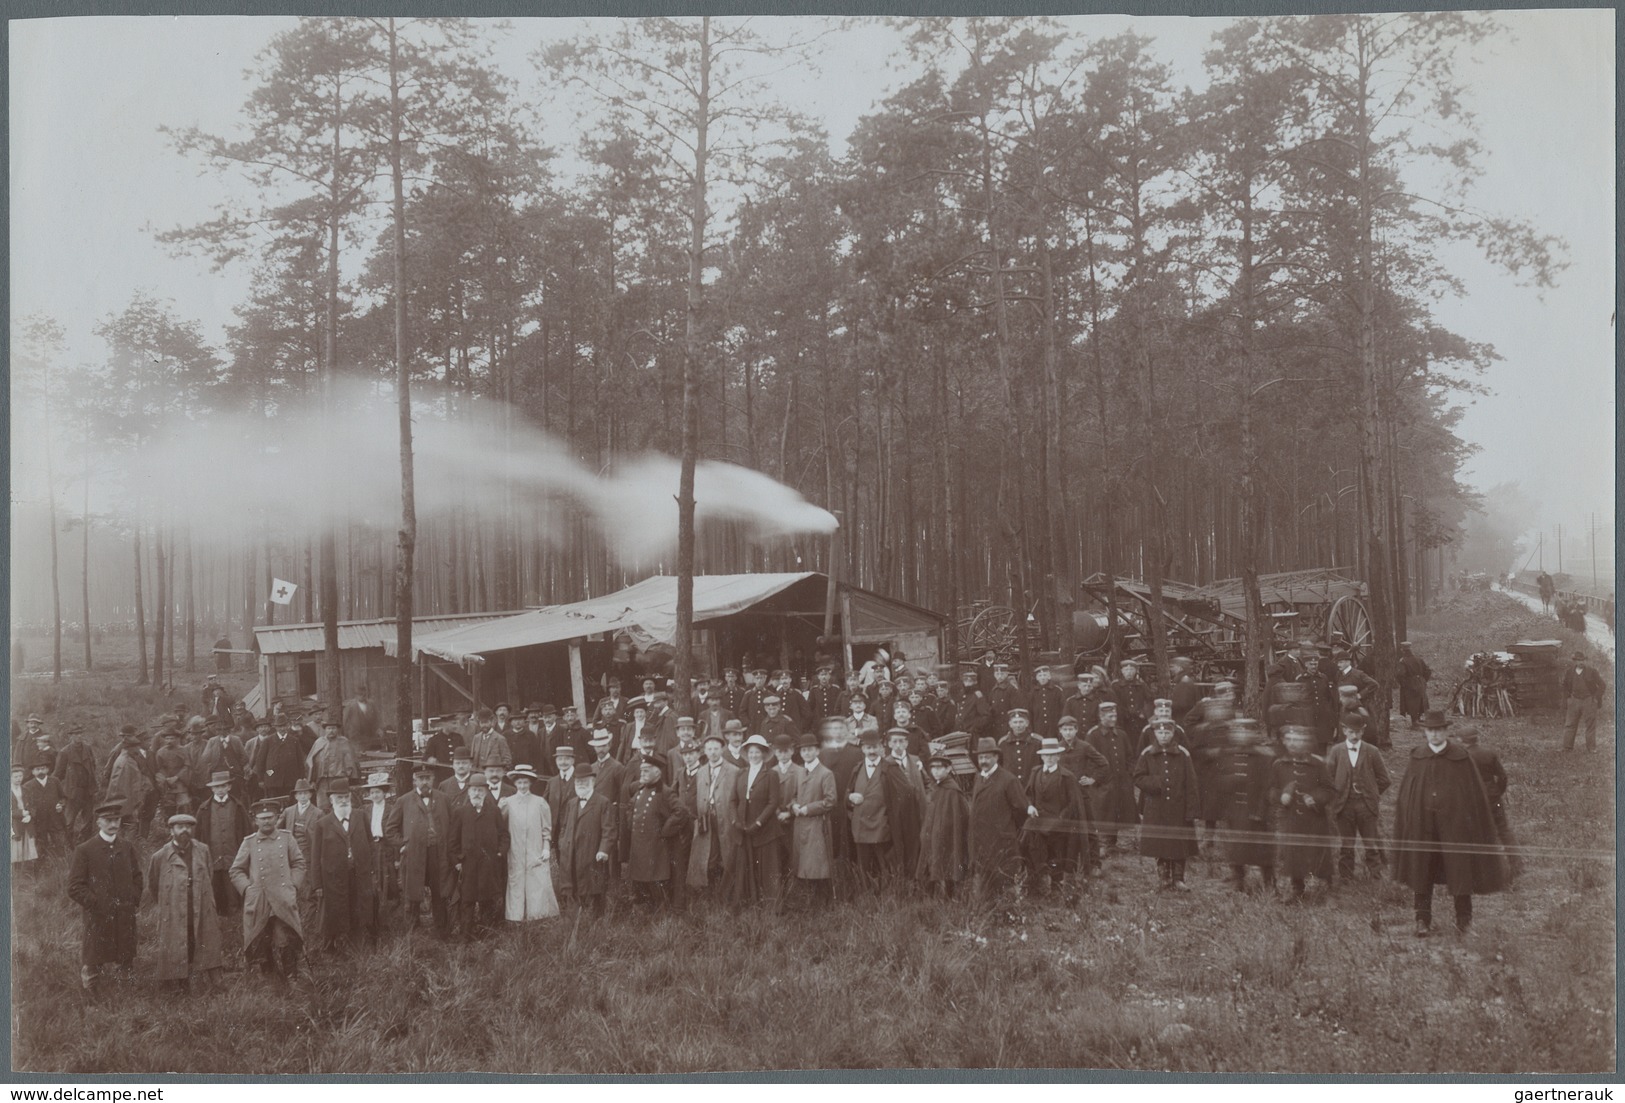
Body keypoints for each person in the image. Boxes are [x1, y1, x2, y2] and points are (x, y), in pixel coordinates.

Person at [1392, 710, 1509, 936]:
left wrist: (1465, 819)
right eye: (1430, 730)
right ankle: (1422, 919)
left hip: (1454, 826)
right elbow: (1409, 792)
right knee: (1422, 869)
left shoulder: (1461, 757)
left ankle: (1463, 920)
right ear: (1425, 732)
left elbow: (1473, 793)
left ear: (1446, 731)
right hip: (1424, 825)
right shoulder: (1418, 756)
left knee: (1460, 869)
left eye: (1439, 730)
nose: (1435, 735)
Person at [67, 800, 143, 994]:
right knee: (94, 956)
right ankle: (92, 995)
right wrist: (95, 903)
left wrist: (132, 899)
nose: (113, 824)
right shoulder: (85, 849)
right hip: (98, 915)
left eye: (116, 819)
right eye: (108, 820)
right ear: (98, 822)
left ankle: (125, 991)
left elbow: (137, 876)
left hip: (124, 913)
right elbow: (74, 886)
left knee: (125, 953)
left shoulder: (126, 847)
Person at [229, 798, 307, 982]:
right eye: (262, 818)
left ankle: (292, 977)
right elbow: (236, 870)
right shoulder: (249, 842)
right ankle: (269, 978)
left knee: (285, 938)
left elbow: (299, 863)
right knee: (260, 939)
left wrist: (293, 885)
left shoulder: (287, 838)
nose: (266, 821)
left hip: (282, 898)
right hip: (259, 900)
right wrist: (247, 888)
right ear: (255, 821)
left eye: (270, 817)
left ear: (277, 818)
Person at [145, 813, 225, 990]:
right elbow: (153, 884)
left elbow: (209, 875)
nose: (184, 831)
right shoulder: (160, 856)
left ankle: (210, 981)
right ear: (171, 830)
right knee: (176, 941)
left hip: (199, 903)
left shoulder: (202, 850)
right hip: (173, 907)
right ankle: (179, 983)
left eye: (188, 827)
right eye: (180, 827)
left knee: (202, 937)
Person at [1268, 726, 1337, 901]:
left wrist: (1316, 798)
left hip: (1314, 818)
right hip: (1291, 818)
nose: (1292, 744)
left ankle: (1327, 887)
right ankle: (1296, 887)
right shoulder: (1279, 764)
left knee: (1318, 853)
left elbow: (1329, 789)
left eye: (1297, 740)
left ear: (1306, 742)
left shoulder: (1317, 764)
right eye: (1289, 740)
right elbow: (1271, 789)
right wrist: (1280, 796)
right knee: (1293, 854)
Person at [1208, 718, 1277, 893]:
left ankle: (1269, 883)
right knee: (1236, 850)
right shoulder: (1226, 754)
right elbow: (1217, 782)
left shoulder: (1264, 756)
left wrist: (1261, 811)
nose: (1241, 735)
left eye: (1246, 731)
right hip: (1234, 811)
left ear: (1254, 734)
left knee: (1263, 851)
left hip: (1256, 812)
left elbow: (1269, 786)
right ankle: (1238, 881)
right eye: (1237, 731)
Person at [307, 781, 376, 953]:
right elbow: (315, 857)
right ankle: (332, 943)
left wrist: (371, 868)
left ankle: (359, 938)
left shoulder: (360, 816)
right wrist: (317, 884)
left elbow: (370, 843)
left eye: (346, 797)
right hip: (333, 877)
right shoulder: (322, 824)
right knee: (335, 908)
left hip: (359, 872)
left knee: (360, 903)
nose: (344, 801)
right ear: (331, 800)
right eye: (339, 798)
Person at [384, 763, 452, 937]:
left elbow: (453, 826)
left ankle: (442, 930)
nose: (424, 782)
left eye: (428, 778)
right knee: (413, 891)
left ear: (433, 779)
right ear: (414, 780)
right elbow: (390, 830)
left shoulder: (444, 798)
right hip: (414, 855)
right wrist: (404, 844)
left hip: (438, 853)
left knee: (440, 892)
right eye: (421, 779)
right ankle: (413, 932)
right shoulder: (403, 801)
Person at [1133, 719, 1200, 891]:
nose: (1164, 736)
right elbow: (1138, 777)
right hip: (1156, 808)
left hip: (1179, 806)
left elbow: (1191, 783)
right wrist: (1156, 783)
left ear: (1173, 733)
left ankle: (1178, 878)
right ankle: (1164, 877)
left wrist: (1192, 809)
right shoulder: (1147, 754)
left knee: (1179, 843)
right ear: (1155, 733)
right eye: (1160, 733)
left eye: (1167, 733)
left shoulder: (1183, 754)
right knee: (1160, 842)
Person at [1324, 713, 1389, 882]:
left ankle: (1376, 876)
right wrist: (1338, 795)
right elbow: (1328, 778)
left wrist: (1371, 793)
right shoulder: (1336, 751)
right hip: (1344, 805)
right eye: (1351, 732)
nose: (1354, 736)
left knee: (1371, 843)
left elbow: (1384, 779)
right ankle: (1346, 877)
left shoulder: (1372, 751)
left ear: (1363, 732)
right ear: (1344, 730)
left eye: (1358, 732)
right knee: (1346, 844)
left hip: (1366, 805)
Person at [1023, 737, 1088, 899]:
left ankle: (1056, 887)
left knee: (1057, 855)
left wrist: (1060, 820)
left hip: (1058, 825)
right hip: (1038, 822)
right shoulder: (1035, 772)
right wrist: (1030, 805)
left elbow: (1073, 804)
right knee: (1032, 849)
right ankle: (1034, 885)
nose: (1050, 758)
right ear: (1042, 757)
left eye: (1053, 755)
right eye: (1046, 755)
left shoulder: (1067, 777)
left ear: (1058, 757)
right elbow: (1028, 794)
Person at [1458, 725, 1521, 882]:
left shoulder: (1462, 757)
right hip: (1494, 800)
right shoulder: (1489, 754)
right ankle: (1516, 864)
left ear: (1462, 740)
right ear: (1476, 738)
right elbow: (1503, 777)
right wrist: (1497, 792)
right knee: (1503, 830)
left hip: (1473, 802)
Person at [622, 753, 684, 909]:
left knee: (656, 881)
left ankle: (661, 913)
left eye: (646, 771)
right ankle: (644, 909)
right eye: (641, 770)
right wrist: (631, 822)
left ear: (657, 773)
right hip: (639, 844)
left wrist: (665, 830)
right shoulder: (640, 789)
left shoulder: (665, 791)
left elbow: (681, 813)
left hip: (656, 847)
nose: (642, 774)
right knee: (639, 880)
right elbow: (630, 806)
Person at [730, 734, 785, 909]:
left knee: (768, 866)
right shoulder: (741, 773)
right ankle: (747, 901)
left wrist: (759, 823)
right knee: (745, 865)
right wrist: (735, 821)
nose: (754, 755)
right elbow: (732, 800)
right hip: (743, 828)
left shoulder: (771, 774)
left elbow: (773, 802)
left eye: (757, 752)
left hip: (765, 829)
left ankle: (770, 905)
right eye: (751, 752)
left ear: (763, 754)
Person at [499, 765, 559, 924]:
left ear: (530, 783)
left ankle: (538, 917)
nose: (523, 786)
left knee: (537, 881)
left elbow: (547, 828)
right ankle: (515, 918)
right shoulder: (508, 803)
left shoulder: (540, 803)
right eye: (519, 782)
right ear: (515, 784)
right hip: (516, 850)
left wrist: (546, 847)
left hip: (535, 848)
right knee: (516, 880)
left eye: (525, 782)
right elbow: (499, 825)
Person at [968, 737, 1029, 891]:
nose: (983, 761)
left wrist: (1006, 828)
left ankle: (1007, 913)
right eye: (981, 757)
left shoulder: (1008, 780)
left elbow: (1021, 809)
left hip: (1001, 840)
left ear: (996, 757)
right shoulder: (978, 777)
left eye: (987, 757)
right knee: (985, 883)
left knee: (1004, 881)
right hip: (981, 840)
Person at [448, 780, 507, 940]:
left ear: (486, 792)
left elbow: (504, 835)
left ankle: (486, 935)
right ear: (468, 792)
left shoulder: (494, 811)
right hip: (468, 865)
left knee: (486, 899)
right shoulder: (461, 812)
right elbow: (452, 841)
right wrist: (457, 862)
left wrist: (500, 853)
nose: (476, 794)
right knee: (467, 900)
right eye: (473, 790)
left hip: (488, 865)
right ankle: (465, 936)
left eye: (480, 790)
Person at [555, 762, 616, 915]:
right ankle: (574, 923)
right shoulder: (571, 803)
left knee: (593, 891)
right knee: (572, 890)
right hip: (571, 857)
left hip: (592, 855)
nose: (581, 784)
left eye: (584, 781)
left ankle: (595, 927)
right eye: (578, 781)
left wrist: (603, 850)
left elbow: (609, 831)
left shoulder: (603, 802)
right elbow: (563, 827)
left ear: (592, 782)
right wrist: (563, 844)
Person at [688, 732, 740, 899]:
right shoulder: (701, 772)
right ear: (704, 750)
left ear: (722, 749)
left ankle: (729, 894)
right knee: (708, 855)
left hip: (725, 819)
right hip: (706, 819)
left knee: (728, 854)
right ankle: (708, 893)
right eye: (709, 749)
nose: (713, 752)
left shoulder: (734, 771)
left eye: (716, 749)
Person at [788, 733, 837, 906]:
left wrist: (808, 809)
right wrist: (793, 806)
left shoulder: (826, 773)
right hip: (800, 824)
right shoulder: (800, 772)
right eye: (803, 750)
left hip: (818, 825)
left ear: (817, 751)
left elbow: (831, 801)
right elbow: (793, 796)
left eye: (810, 750)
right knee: (802, 864)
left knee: (817, 864)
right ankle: (805, 902)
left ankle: (822, 903)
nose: (807, 753)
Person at [916, 749, 971, 897]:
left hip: (947, 837)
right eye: (933, 768)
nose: (935, 771)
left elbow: (960, 818)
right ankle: (937, 897)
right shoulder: (937, 787)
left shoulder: (952, 790)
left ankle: (949, 897)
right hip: (935, 836)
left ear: (948, 769)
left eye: (939, 767)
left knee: (948, 865)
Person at [1085, 701, 1138, 851]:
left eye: (1115, 715)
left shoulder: (1121, 734)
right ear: (1102, 717)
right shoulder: (1093, 735)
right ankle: (1102, 845)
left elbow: (1130, 756)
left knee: (1119, 810)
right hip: (1102, 783)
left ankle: (1114, 844)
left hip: (1121, 782)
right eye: (1110, 716)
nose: (1114, 719)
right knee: (1103, 813)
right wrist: (1097, 778)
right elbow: (1089, 760)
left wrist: (1129, 775)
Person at [105, 727, 154, 841]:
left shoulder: (123, 758)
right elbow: (135, 785)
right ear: (130, 748)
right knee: (129, 827)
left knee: (119, 828)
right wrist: (138, 802)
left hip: (117, 800)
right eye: (135, 746)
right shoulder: (129, 762)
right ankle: (126, 850)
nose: (137, 749)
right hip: (127, 802)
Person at [53, 724, 99, 844]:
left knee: (89, 819)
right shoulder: (65, 752)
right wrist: (57, 790)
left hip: (88, 790)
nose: (79, 736)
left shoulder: (88, 748)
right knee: (69, 820)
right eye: (75, 734)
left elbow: (93, 765)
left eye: (80, 733)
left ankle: (85, 842)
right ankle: (68, 845)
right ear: (71, 736)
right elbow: (58, 774)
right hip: (73, 792)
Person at [1560, 651, 1606, 752]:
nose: (1581, 662)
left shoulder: (1592, 671)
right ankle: (1567, 747)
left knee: (1590, 725)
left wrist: (1595, 698)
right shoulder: (1569, 672)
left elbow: (1602, 685)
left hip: (1588, 700)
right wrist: (1568, 698)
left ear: (1585, 660)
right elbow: (1564, 686)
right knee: (1570, 724)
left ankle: (1591, 748)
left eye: (1583, 660)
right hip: (1574, 700)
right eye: (1578, 660)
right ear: (1575, 661)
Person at [23, 754, 67, 857]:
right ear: (33, 772)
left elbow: (63, 797)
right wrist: (32, 813)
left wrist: (61, 805)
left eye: (43, 769)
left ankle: (61, 864)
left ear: (47, 769)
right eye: (37, 769)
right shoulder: (27, 786)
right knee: (41, 845)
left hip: (55, 819)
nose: (41, 771)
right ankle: (42, 866)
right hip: (39, 821)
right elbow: (26, 805)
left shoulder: (55, 781)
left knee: (59, 844)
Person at [1396, 642, 1433, 729]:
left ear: (1403, 650)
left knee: (1411, 703)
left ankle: (1415, 723)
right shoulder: (1418, 659)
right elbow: (1428, 671)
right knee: (1420, 701)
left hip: (1410, 684)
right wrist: (1423, 680)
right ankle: (1418, 719)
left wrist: (1404, 684)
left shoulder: (1403, 661)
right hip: (1420, 682)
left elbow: (1400, 675)